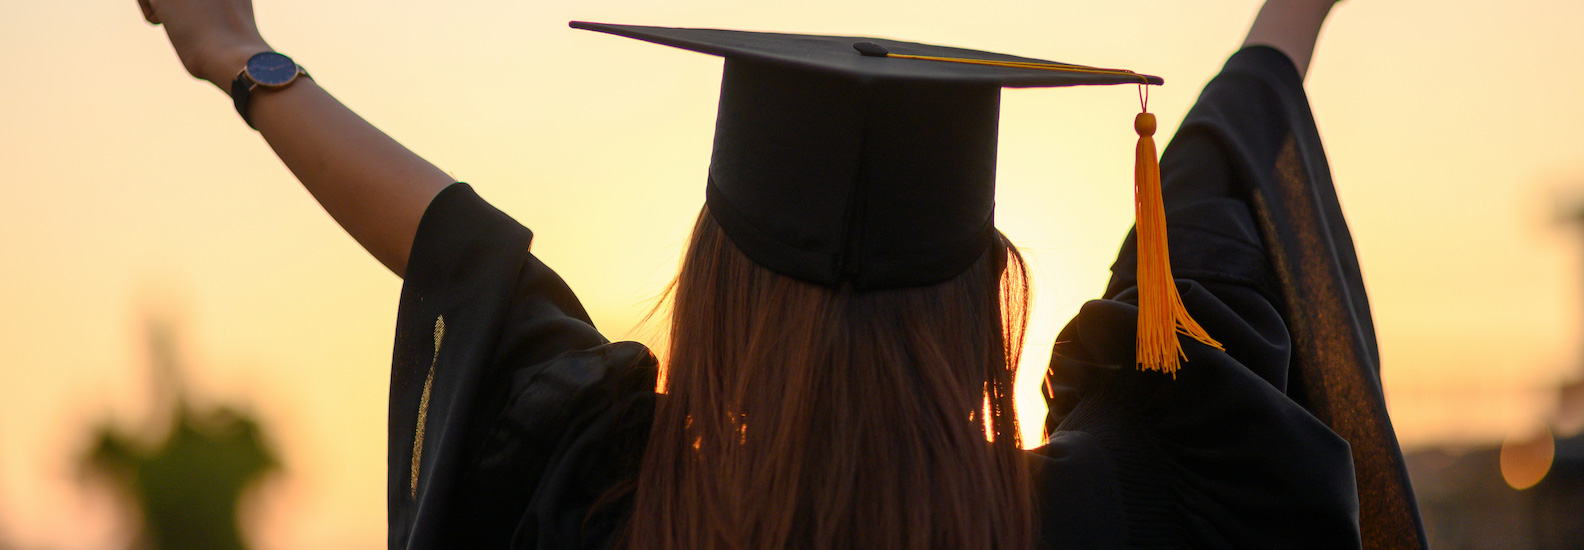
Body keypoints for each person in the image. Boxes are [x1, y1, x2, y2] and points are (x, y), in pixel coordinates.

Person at [139, 0, 1427, 548]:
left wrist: (242, 55)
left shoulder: (611, 510)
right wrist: (1290, 15)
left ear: (716, 275)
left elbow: (467, 261)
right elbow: (1202, 226)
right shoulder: (1122, 510)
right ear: (987, 295)